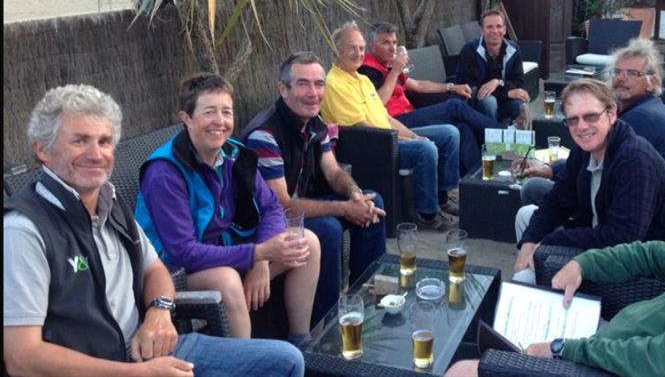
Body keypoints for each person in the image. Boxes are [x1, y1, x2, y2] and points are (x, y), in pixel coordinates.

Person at [4, 84, 304, 377]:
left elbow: (156, 270)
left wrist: (158, 312)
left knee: (287, 360)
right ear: (42, 149)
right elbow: (22, 358)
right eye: (80, 141)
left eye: (105, 141)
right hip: (103, 366)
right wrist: (138, 373)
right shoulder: (25, 231)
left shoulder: (108, 201)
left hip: (150, 349)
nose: (96, 154)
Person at [447, 148, 665, 377]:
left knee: (464, 369)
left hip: (612, 365)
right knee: (493, 330)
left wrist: (561, 348)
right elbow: (653, 254)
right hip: (612, 338)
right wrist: (585, 264)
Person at [135, 73, 320, 342]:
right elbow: (183, 251)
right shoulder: (165, 172)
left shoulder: (236, 154)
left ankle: (300, 343)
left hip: (224, 249)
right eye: (209, 112)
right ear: (186, 118)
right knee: (227, 280)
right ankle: (245, 364)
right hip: (171, 270)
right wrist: (256, 254)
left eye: (226, 112)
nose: (220, 122)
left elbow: (271, 207)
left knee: (306, 243)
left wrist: (261, 261)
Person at [241, 52, 386, 324]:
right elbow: (282, 205)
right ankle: (327, 324)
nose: (313, 93)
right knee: (328, 230)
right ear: (283, 89)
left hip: (300, 206)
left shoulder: (314, 122)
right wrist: (344, 208)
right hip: (266, 224)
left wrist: (354, 195)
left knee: (372, 202)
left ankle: (365, 298)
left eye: (319, 84)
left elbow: (332, 171)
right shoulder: (265, 135)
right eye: (303, 84)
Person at [513, 79, 665, 278]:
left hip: (642, 266)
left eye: (591, 116)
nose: (582, 127)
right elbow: (556, 200)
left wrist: (550, 241)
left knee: (524, 277)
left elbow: (622, 237)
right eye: (573, 119)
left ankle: (535, 287)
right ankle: (537, 278)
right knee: (526, 217)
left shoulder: (635, 159)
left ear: (611, 114)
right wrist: (529, 242)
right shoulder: (584, 149)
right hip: (602, 238)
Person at [320, 21, 460, 230]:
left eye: (361, 48)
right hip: (370, 147)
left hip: (387, 136)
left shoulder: (361, 79)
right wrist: (405, 140)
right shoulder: (334, 83)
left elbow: (384, 117)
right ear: (336, 50)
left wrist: (412, 136)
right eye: (352, 48)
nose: (358, 53)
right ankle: (427, 214)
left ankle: (442, 198)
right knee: (426, 149)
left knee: (449, 134)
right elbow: (363, 130)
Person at [518, 38, 665, 206]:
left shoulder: (643, 118)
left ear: (652, 83)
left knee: (533, 188)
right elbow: (591, 161)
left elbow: (599, 170)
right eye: (618, 72)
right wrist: (549, 170)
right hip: (616, 191)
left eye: (632, 73)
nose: (621, 78)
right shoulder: (638, 108)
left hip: (636, 208)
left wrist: (554, 173)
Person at [358, 22, 504, 176]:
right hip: (395, 122)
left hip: (410, 115)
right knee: (454, 106)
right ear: (373, 46)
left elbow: (419, 85)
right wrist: (395, 72)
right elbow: (378, 103)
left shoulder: (388, 65)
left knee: (462, 127)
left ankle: (478, 180)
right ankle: (506, 135)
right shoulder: (367, 70)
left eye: (394, 42)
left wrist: (451, 87)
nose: (392, 48)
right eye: (385, 43)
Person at [455, 8, 528, 124]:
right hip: (475, 104)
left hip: (503, 100)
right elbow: (468, 88)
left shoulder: (513, 50)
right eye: (489, 27)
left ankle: (516, 139)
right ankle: (491, 139)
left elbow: (519, 83)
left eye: (499, 26)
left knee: (520, 102)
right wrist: (505, 93)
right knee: (489, 102)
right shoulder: (470, 50)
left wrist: (498, 82)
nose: (495, 31)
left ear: (504, 30)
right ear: (482, 30)